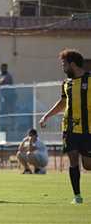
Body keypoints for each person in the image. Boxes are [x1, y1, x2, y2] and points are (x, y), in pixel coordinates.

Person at [39, 49, 91, 204]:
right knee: (73, 160)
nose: (63, 68)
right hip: (69, 129)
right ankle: (77, 196)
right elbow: (62, 103)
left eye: (64, 64)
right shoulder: (66, 83)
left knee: (88, 165)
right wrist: (47, 115)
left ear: (72, 64)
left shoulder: (89, 80)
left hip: (88, 129)